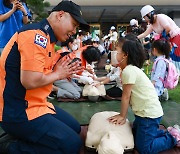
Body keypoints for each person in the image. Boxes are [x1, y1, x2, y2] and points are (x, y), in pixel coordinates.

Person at [0, 1, 89, 153]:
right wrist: (59, 74)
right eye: (74, 24)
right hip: (18, 112)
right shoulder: (36, 36)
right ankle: (10, 148)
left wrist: (61, 72)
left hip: (37, 103)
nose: (74, 31)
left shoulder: (47, 38)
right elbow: (30, 81)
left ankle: (23, 138)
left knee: (75, 128)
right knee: (72, 144)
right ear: (60, 15)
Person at [108, 35, 180, 153]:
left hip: (148, 115)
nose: (115, 54)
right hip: (144, 113)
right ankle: (163, 132)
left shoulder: (129, 71)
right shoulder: (131, 69)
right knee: (136, 135)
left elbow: (126, 96)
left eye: (117, 52)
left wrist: (122, 116)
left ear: (125, 55)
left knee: (144, 148)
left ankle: (173, 137)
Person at [137, 5, 180, 75]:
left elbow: (168, 28)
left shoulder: (160, 17)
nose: (145, 20)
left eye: (145, 17)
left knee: (176, 56)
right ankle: (173, 74)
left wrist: (162, 37)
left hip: (176, 37)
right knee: (170, 57)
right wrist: (136, 37)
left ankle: (175, 74)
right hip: (170, 40)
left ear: (149, 14)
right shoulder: (152, 25)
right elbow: (145, 33)